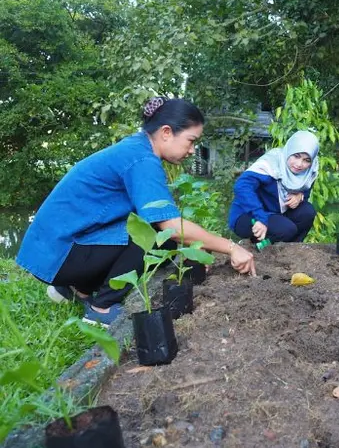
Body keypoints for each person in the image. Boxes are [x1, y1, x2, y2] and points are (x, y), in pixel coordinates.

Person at [16, 97, 257, 326]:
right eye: (191, 140)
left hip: (52, 251)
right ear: (166, 133)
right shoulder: (142, 161)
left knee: (156, 227)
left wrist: (197, 245)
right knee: (155, 232)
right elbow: (170, 226)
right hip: (60, 255)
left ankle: (75, 289)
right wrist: (231, 247)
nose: (193, 150)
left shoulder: (135, 148)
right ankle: (101, 309)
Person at [229, 130, 319, 245]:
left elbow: (305, 191)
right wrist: (260, 217)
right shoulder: (272, 164)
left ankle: (291, 251)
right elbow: (241, 186)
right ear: (289, 150)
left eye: (306, 160)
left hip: (276, 213)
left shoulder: (308, 172)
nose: (299, 164)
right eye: (296, 156)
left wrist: (300, 195)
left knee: (307, 212)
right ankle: (256, 246)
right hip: (247, 214)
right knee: (286, 229)